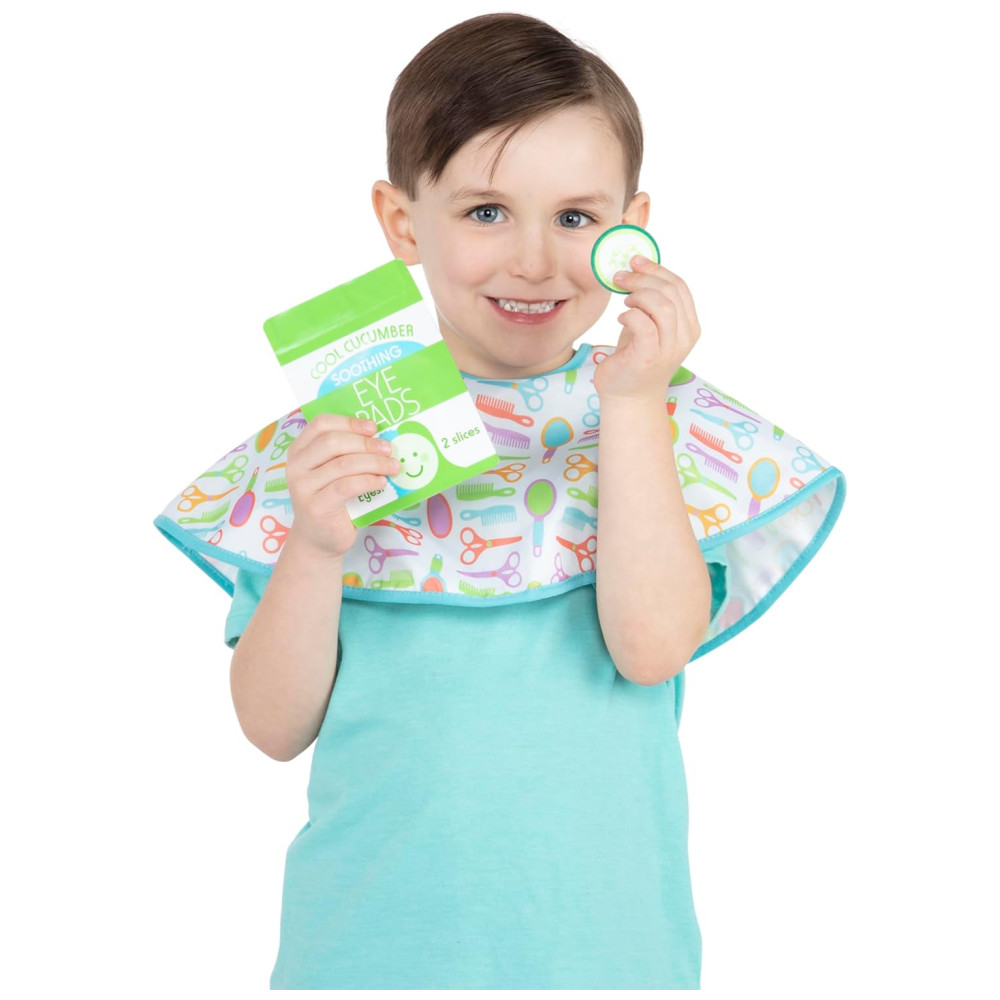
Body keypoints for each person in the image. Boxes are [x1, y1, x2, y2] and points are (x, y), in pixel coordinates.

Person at [154, 12, 846, 989]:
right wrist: (311, 548)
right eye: (486, 212)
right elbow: (272, 728)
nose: (534, 260)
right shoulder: (338, 438)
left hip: (606, 960)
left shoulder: (658, 417)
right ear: (404, 223)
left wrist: (633, 404)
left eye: (575, 218)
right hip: (363, 959)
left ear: (631, 228)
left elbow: (651, 650)